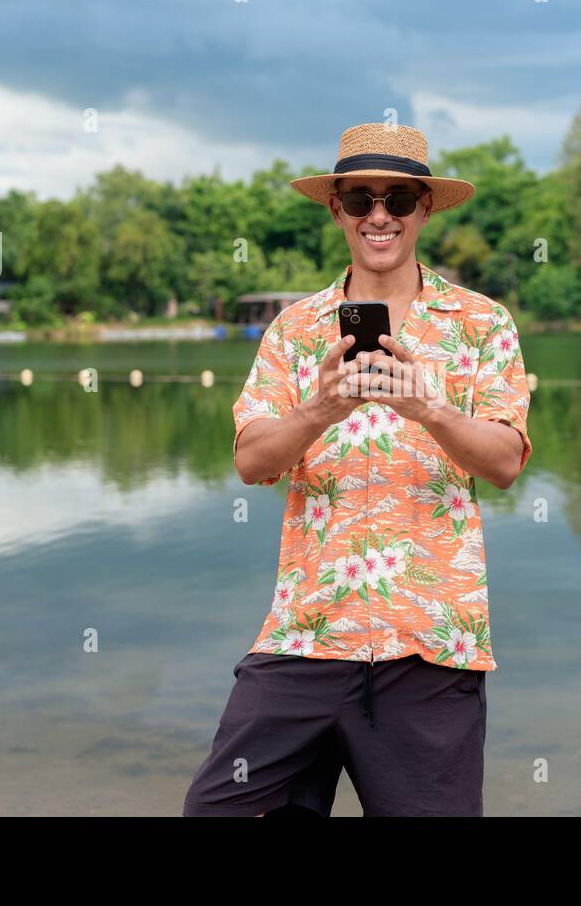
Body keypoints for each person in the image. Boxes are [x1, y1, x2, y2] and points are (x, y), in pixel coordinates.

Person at [182, 123, 532, 817]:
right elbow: (252, 460)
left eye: (398, 199)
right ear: (336, 208)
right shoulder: (293, 330)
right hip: (307, 636)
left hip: (430, 644)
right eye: (361, 198)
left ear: (424, 209)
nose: (380, 215)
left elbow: (505, 462)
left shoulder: (483, 324)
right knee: (219, 808)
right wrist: (320, 410)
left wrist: (431, 408)